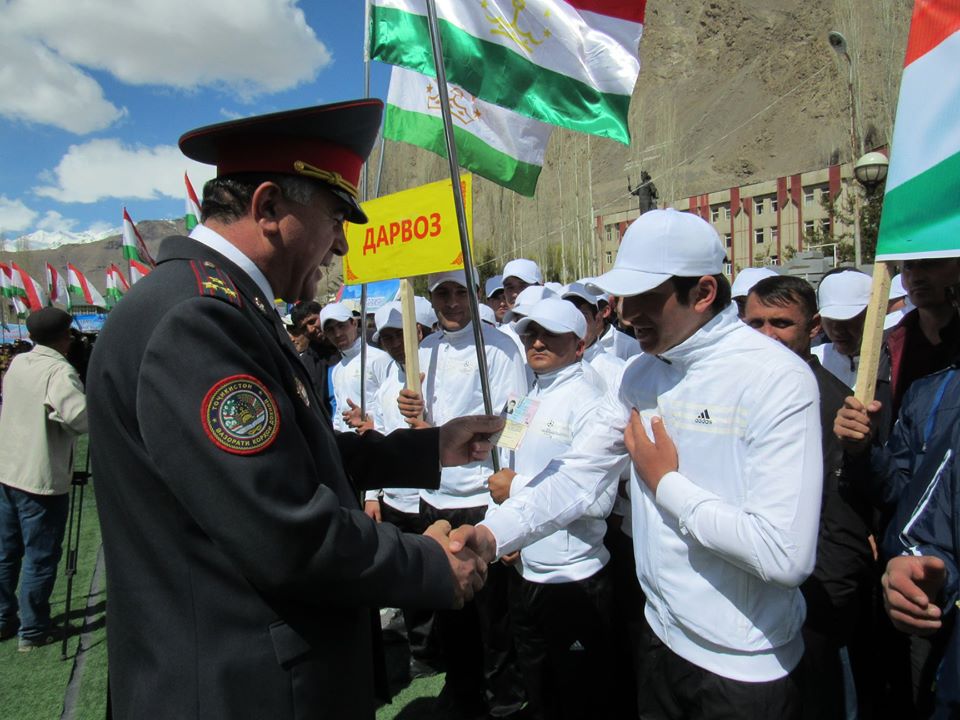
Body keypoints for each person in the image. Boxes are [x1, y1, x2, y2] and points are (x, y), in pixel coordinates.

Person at [84, 100, 497, 720]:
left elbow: (295, 455)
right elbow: (285, 527)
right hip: (241, 690)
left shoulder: (220, 304)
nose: (341, 245)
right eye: (336, 218)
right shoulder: (197, 320)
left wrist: (427, 446)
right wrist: (430, 564)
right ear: (270, 207)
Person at [458, 208, 822, 719]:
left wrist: (665, 483)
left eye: (645, 297)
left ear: (703, 292)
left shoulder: (776, 378)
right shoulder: (639, 376)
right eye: (623, 298)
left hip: (743, 669)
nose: (628, 315)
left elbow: (785, 555)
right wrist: (492, 535)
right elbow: (578, 476)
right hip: (659, 640)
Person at [398, 268, 528, 718]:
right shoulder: (423, 350)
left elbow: (516, 420)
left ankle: (503, 701)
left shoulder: (501, 347)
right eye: (442, 294)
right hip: (436, 497)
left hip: (482, 496)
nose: (452, 303)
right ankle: (461, 692)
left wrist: (509, 492)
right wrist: (409, 408)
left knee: (493, 617)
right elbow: (423, 422)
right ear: (431, 299)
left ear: (474, 295)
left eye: (459, 292)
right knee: (450, 605)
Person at [485, 297, 621, 720]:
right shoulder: (524, 398)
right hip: (524, 571)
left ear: (579, 345)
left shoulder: (592, 403)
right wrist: (508, 532)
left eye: (550, 335)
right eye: (531, 333)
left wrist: (516, 487)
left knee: (582, 697)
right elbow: (504, 466)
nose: (537, 342)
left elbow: (599, 501)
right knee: (539, 689)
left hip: (574, 578)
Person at [744, 275, 874, 718]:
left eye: (781, 323)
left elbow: (842, 523)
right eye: (755, 323)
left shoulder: (837, 407)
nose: (767, 335)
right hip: (748, 599)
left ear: (814, 326)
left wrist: (818, 613)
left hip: (807, 606)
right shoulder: (738, 391)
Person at [0, 307, 88, 651]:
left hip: (8, 471)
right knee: (40, 557)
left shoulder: (19, 362)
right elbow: (80, 417)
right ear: (65, 337)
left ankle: (3, 619)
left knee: (7, 553)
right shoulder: (59, 371)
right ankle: (34, 629)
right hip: (40, 478)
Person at [319, 300, 391, 433]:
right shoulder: (337, 370)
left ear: (354, 323)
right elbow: (339, 412)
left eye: (341, 326)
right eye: (330, 330)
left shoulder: (379, 359)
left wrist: (370, 420)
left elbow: (391, 405)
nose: (337, 334)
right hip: (348, 442)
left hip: (376, 438)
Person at [812, 268, 873, 389]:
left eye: (847, 320)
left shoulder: (892, 362)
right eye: (830, 320)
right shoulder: (812, 362)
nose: (837, 330)